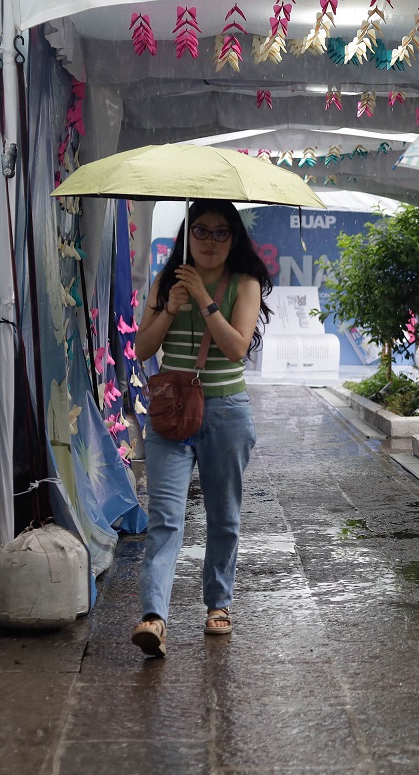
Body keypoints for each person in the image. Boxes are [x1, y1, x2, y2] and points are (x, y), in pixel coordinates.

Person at [129, 199, 272, 657]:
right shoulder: (167, 281)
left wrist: (207, 303)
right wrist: (170, 307)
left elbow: (236, 348)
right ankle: (154, 617)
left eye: (221, 233)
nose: (210, 241)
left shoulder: (245, 283)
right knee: (165, 517)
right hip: (172, 411)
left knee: (223, 515)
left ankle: (218, 605)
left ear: (234, 239)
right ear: (187, 234)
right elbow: (141, 347)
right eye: (202, 231)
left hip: (226, 412)